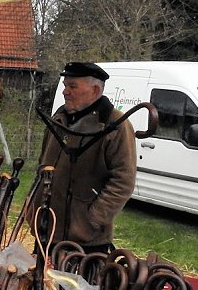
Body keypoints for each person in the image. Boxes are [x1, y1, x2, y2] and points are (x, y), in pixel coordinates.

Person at [35, 61, 136, 253]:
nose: (65, 92)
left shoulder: (115, 125)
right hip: (47, 230)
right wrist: (34, 207)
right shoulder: (58, 120)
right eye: (65, 86)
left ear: (95, 90)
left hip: (85, 240)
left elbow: (123, 181)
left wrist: (93, 220)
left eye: (73, 86)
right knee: (43, 281)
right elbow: (42, 165)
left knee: (78, 284)